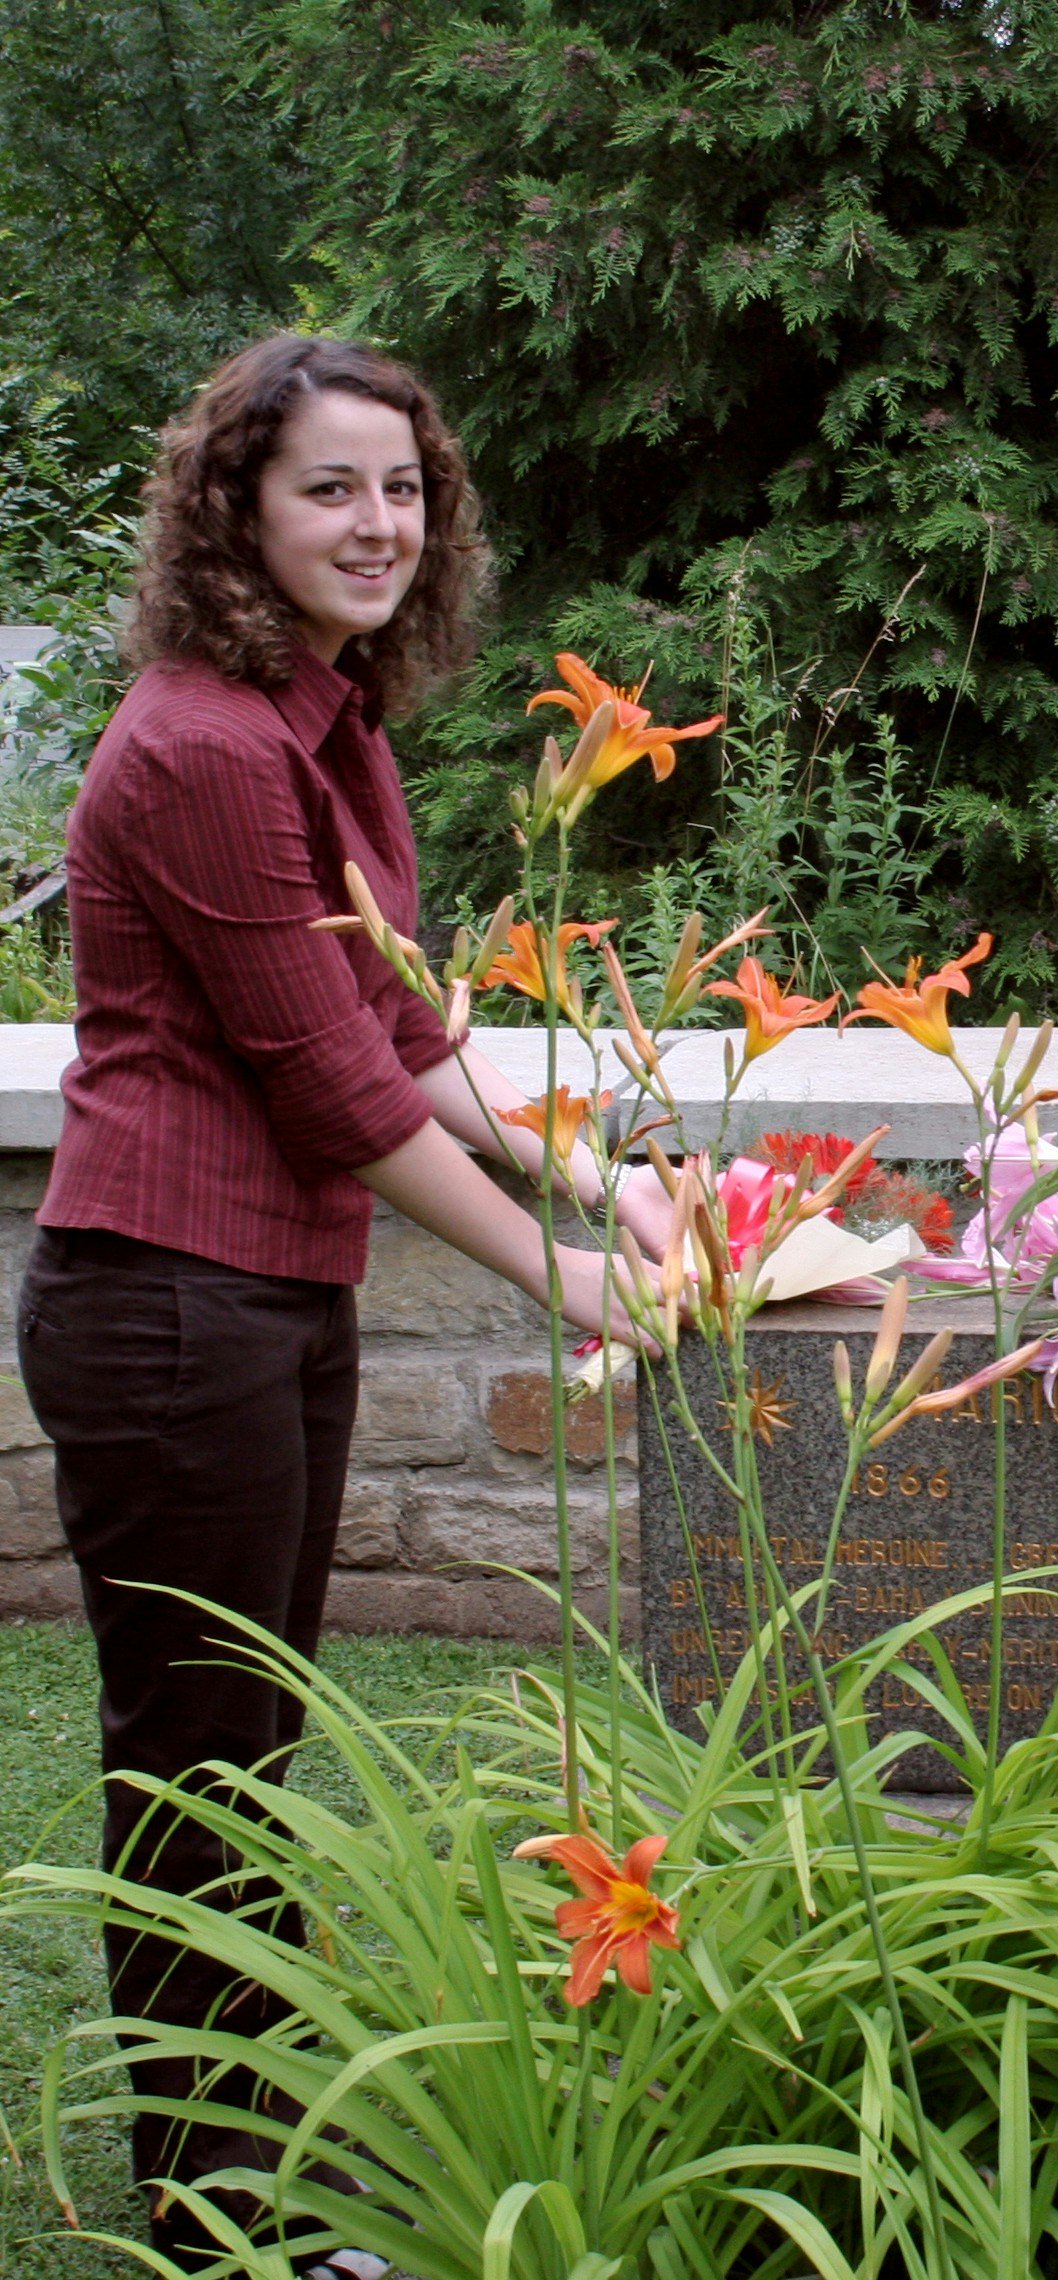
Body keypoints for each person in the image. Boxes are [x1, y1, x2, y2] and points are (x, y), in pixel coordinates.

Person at [15, 334, 670, 2268]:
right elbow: (333, 1088)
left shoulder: (330, 719)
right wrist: (560, 1271)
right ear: (236, 510)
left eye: (405, 488)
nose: (378, 523)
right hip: (166, 1306)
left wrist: (595, 1173)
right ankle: (225, 2226)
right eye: (331, 488)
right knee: (200, 1773)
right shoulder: (207, 746)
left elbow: (397, 1015)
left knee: (250, 1753)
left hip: (261, 1301)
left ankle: (263, 2194)